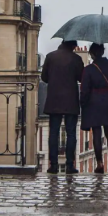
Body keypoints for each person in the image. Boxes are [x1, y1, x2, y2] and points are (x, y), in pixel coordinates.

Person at [41, 40, 84, 174]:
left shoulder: (50, 56)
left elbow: (44, 77)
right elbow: (81, 78)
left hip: (54, 99)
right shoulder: (76, 59)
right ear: (72, 46)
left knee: (53, 132)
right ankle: (70, 165)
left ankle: (53, 165)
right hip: (71, 100)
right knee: (71, 133)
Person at [80, 43, 108, 174]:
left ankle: (100, 164)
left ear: (92, 53)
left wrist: (83, 102)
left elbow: (84, 89)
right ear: (102, 51)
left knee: (96, 133)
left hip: (94, 100)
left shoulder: (89, 69)